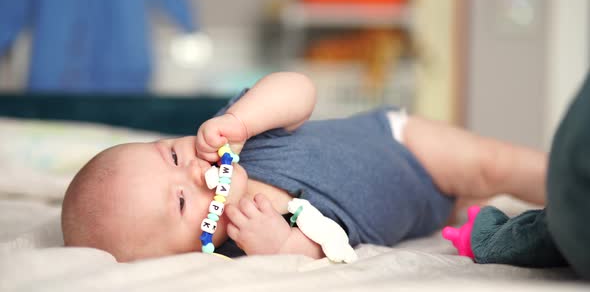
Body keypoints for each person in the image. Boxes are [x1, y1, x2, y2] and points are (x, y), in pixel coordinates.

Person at [61, 72, 547, 262]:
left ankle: (568, 181)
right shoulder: (244, 248)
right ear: (187, 252)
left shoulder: (239, 135)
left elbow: (300, 90)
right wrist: (283, 245)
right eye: (183, 200)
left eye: (171, 155)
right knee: (474, 206)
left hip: (400, 144)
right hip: (422, 213)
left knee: (490, 166)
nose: (192, 170)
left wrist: (241, 119)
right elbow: (325, 252)